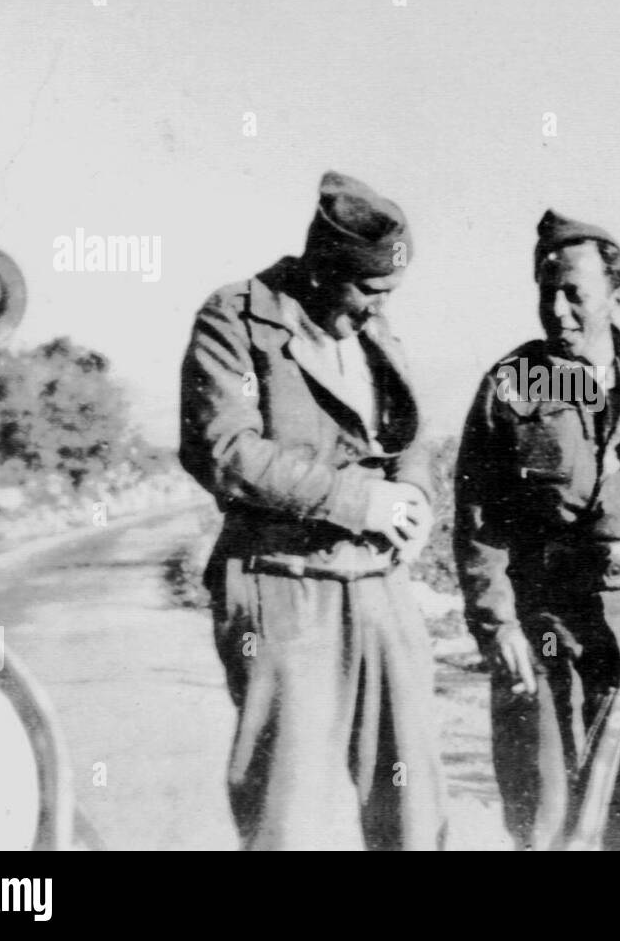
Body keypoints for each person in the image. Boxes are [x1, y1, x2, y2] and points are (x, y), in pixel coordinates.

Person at [179, 170, 445, 850]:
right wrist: (358, 499)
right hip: (283, 584)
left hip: (381, 589)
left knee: (413, 809)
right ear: (324, 267)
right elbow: (226, 450)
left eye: (387, 294)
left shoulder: (373, 326)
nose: (375, 310)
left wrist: (413, 495)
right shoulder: (237, 317)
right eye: (366, 291)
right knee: (286, 817)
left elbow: (408, 435)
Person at [454, 209, 620, 850]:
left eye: (574, 292)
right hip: (543, 614)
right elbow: (478, 523)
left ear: (617, 296)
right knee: (544, 802)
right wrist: (500, 626)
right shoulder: (511, 383)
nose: (557, 309)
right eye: (545, 291)